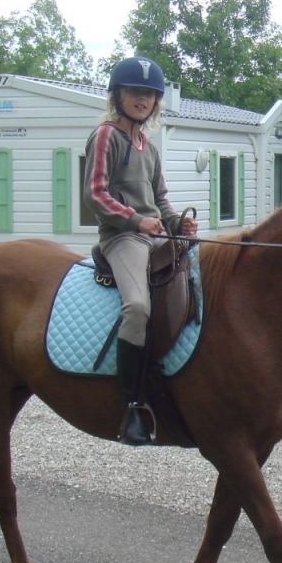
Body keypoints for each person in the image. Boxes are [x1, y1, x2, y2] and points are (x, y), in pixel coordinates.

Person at [84, 56, 197, 445]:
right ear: (118, 95)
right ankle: (130, 406)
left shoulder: (148, 145)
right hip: (122, 237)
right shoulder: (105, 136)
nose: (142, 99)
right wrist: (135, 221)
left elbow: (160, 200)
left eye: (149, 94)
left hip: (155, 235)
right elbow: (95, 193)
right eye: (135, 92)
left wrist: (177, 223)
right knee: (137, 308)